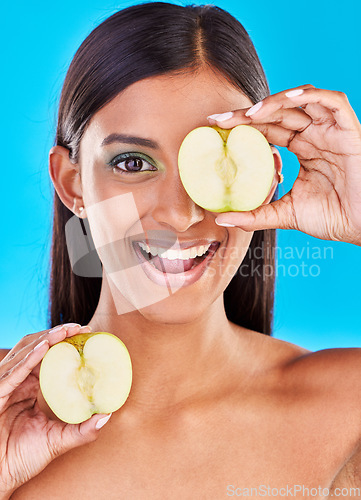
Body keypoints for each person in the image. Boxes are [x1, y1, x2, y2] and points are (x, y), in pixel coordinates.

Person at [1, 2, 361, 498]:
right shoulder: (4, 413)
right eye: (132, 163)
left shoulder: (348, 410)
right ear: (71, 184)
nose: (181, 214)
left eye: (217, 160)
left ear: (268, 177)